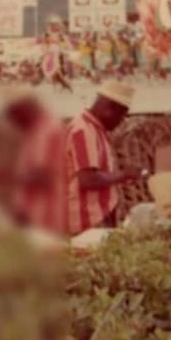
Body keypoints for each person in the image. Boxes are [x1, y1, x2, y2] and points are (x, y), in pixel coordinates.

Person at [65, 80, 148, 236]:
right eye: (121, 116)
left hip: (98, 215)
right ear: (110, 108)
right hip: (88, 222)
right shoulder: (83, 130)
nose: (121, 122)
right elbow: (88, 179)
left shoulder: (94, 128)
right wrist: (124, 175)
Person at [2, 86, 67, 235]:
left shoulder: (47, 130)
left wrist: (9, 177)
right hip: (33, 216)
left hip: (45, 217)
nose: (14, 122)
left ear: (24, 109)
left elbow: (43, 177)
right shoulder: (35, 129)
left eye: (15, 115)